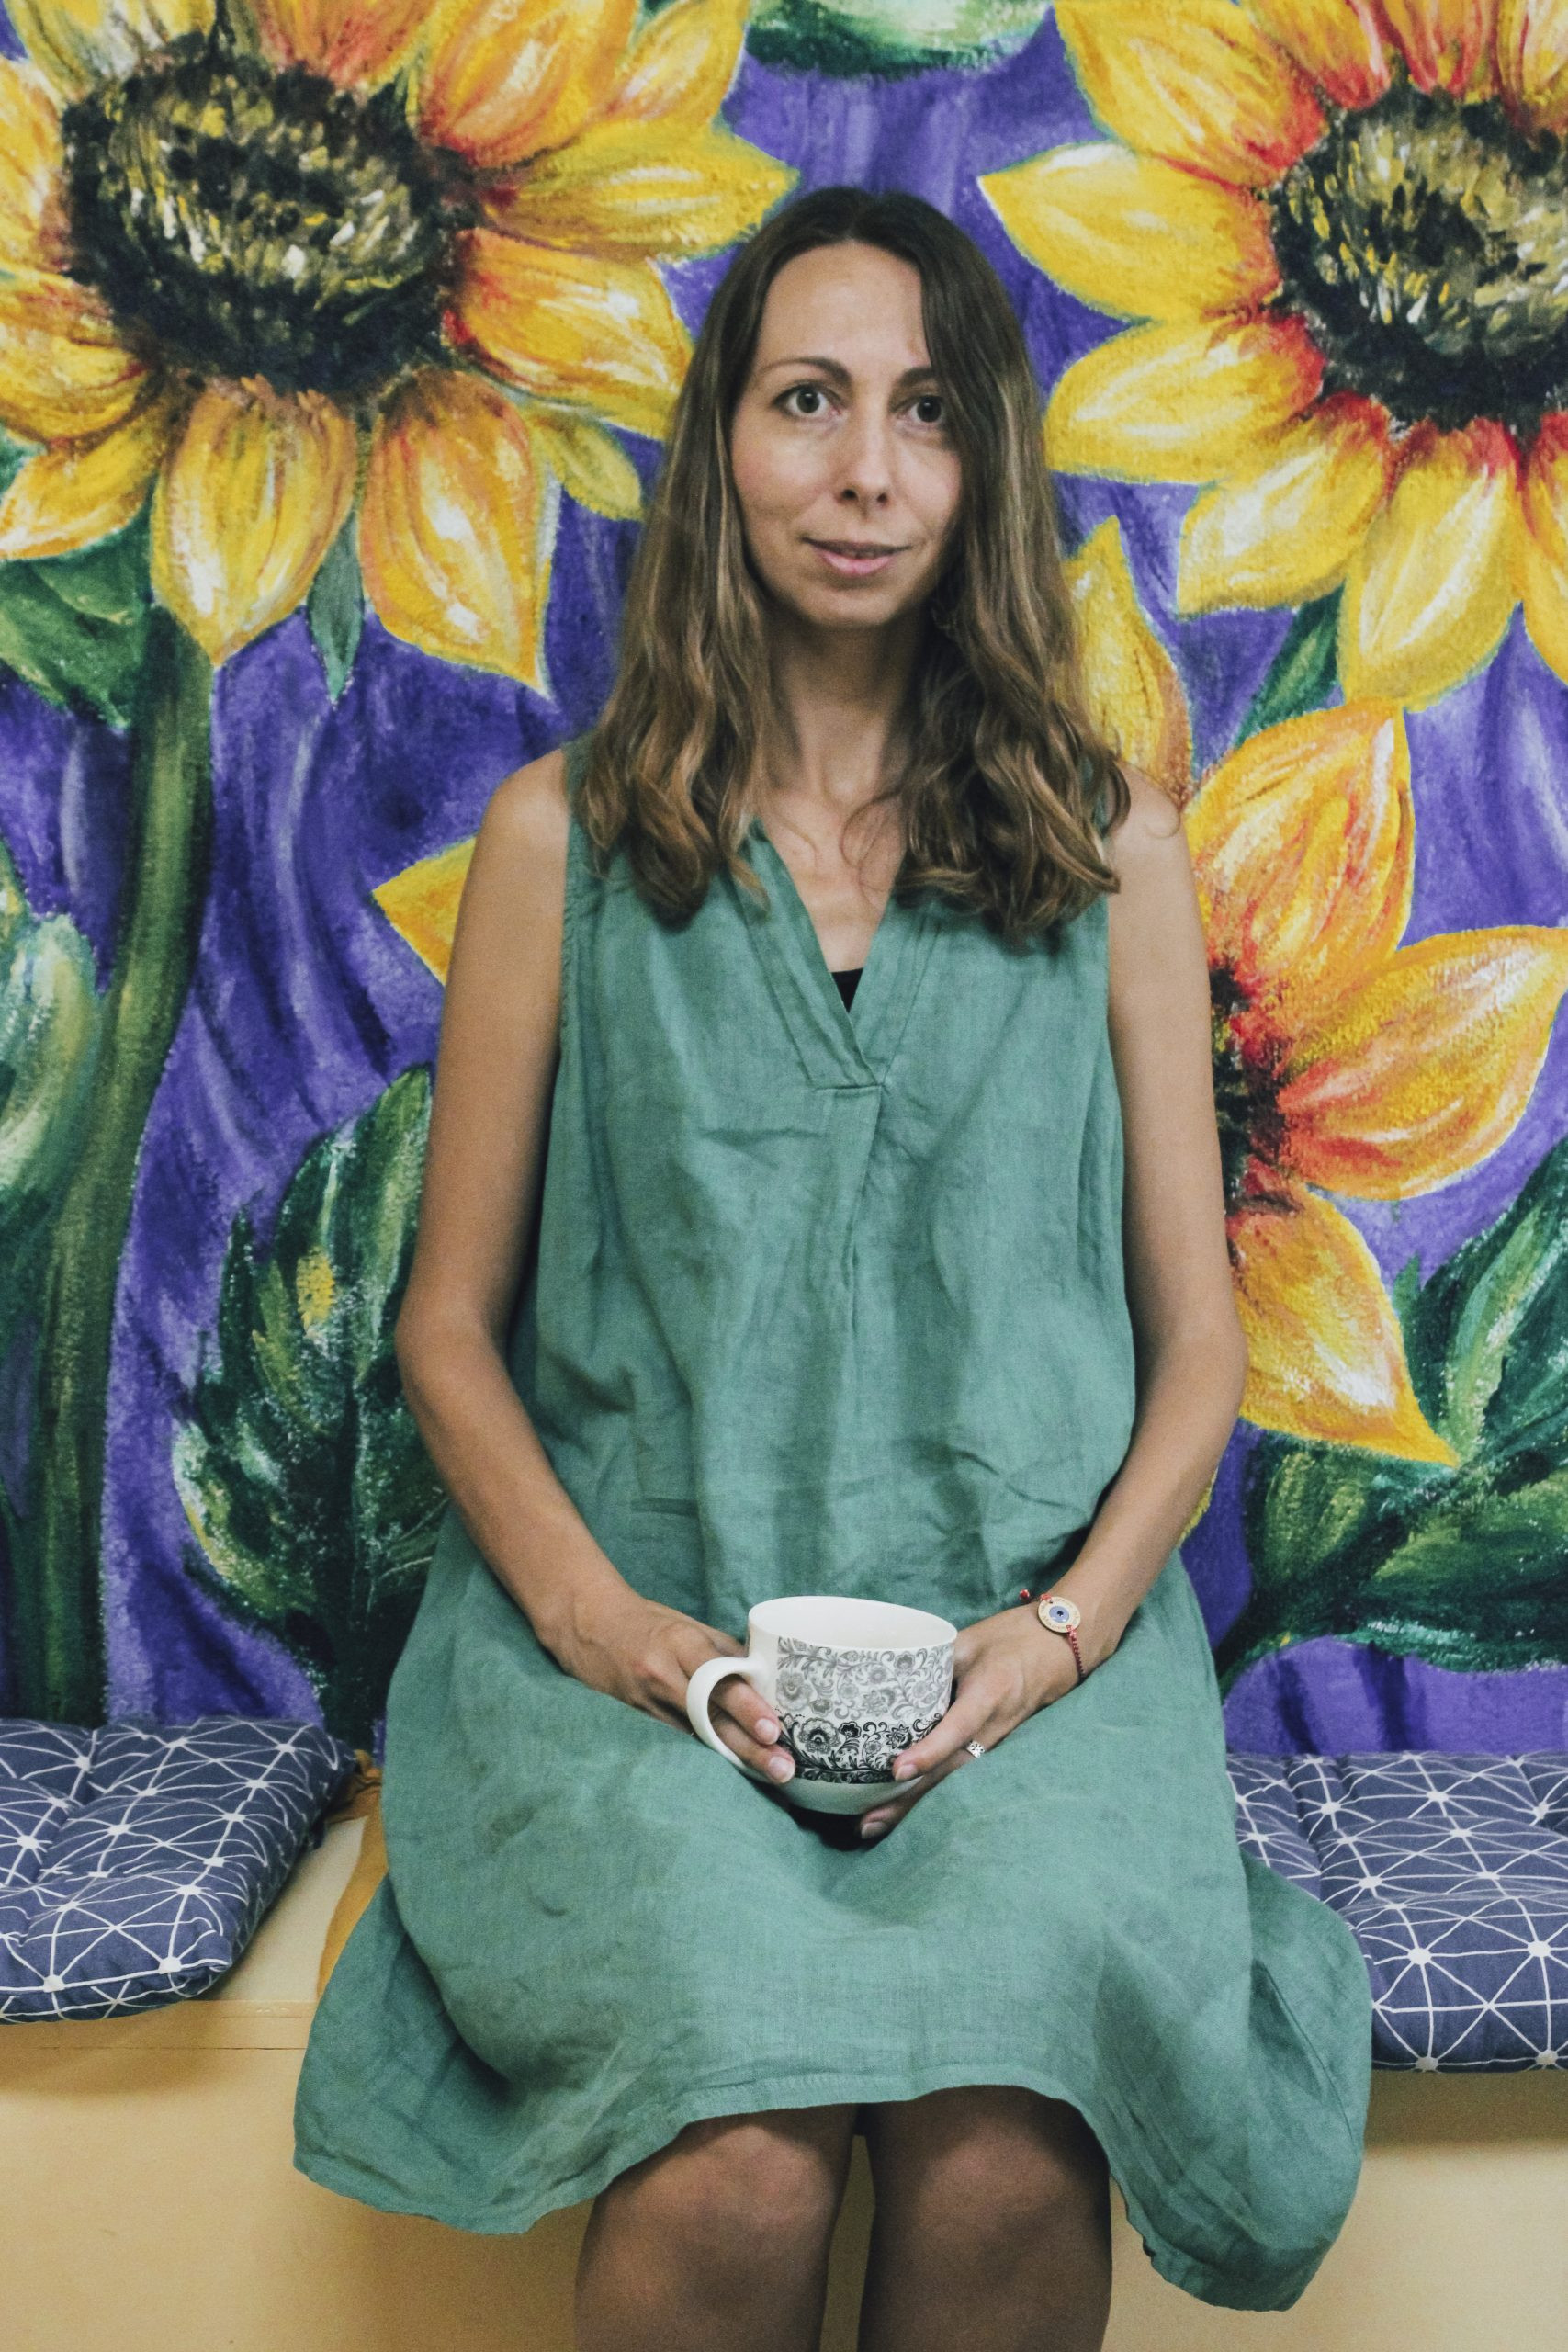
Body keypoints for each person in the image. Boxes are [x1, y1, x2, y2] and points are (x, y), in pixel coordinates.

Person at [293, 185, 1372, 2350]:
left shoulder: (1110, 849)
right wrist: (636, 1642)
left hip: (1029, 1667)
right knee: (738, 2143)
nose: (864, 470)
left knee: (997, 2142)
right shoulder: (556, 844)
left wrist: (1051, 1643)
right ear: (725, 444)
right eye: (808, 401)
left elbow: (1193, 1353)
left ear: (980, 471)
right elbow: (444, 1328)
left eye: (921, 413)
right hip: (620, 1668)